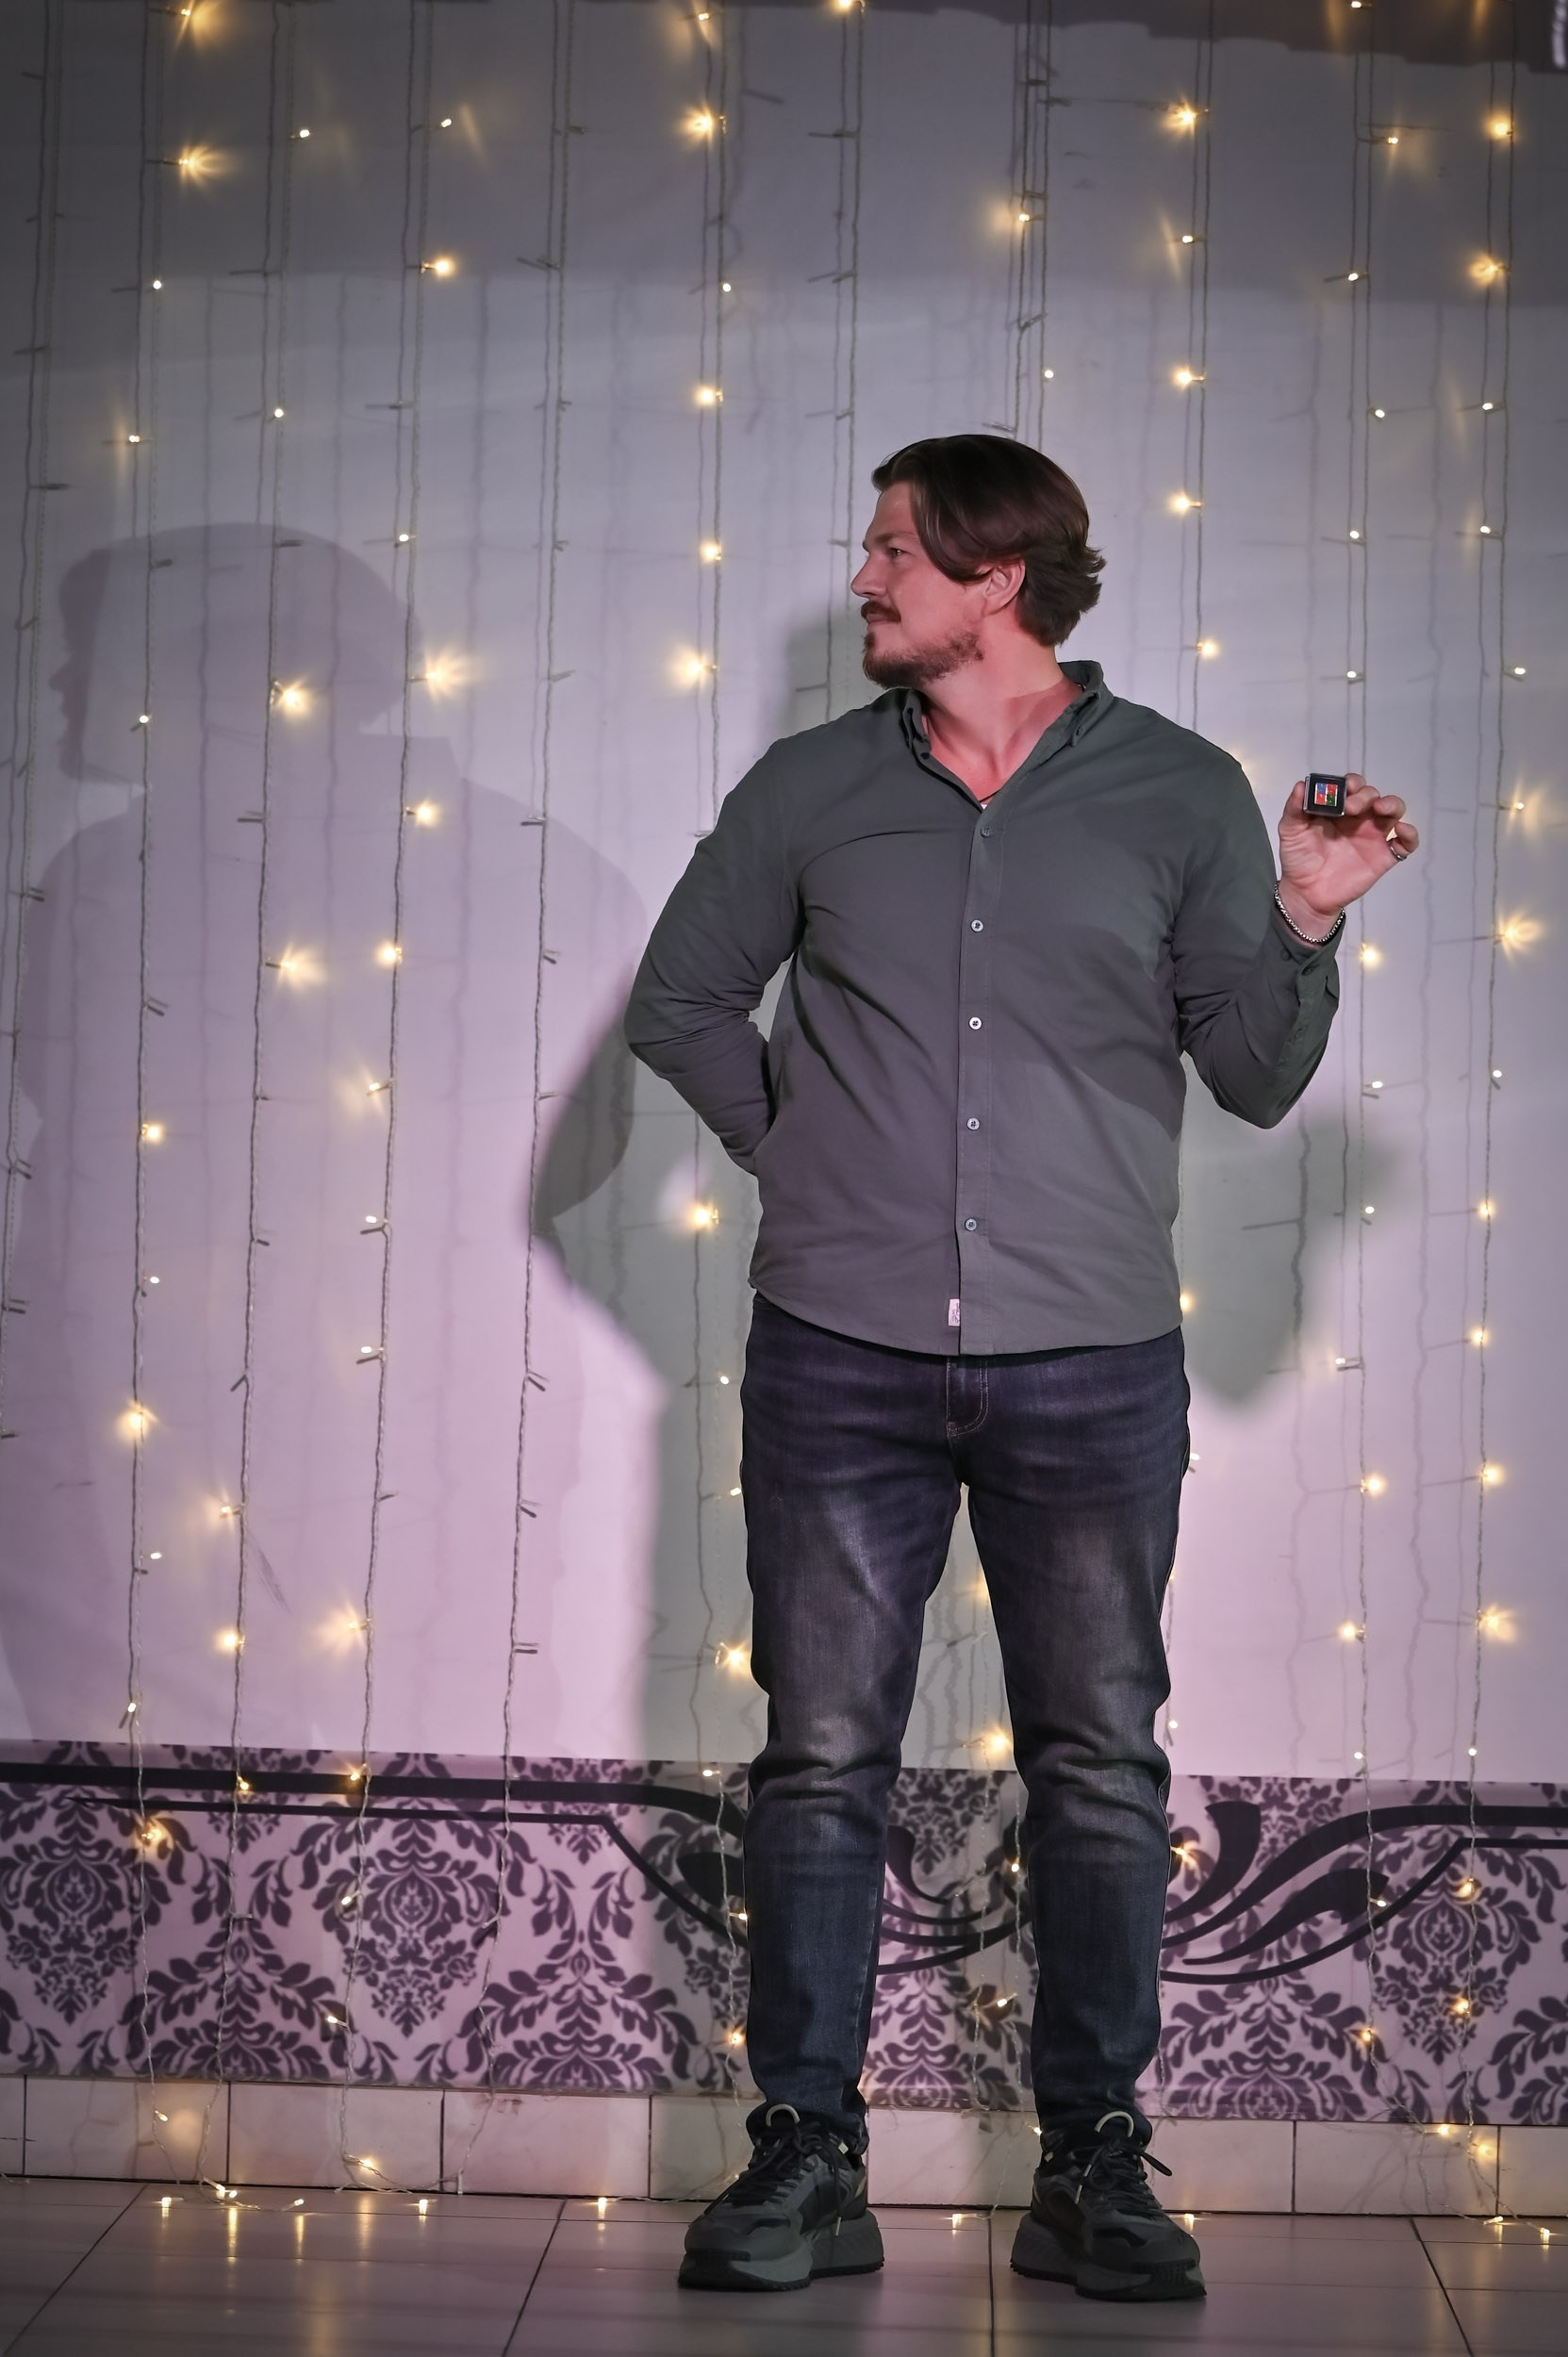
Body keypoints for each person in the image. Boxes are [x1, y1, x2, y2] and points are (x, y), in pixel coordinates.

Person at [623, 434, 1417, 2302]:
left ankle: (1094, 2166)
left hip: (1092, 1361)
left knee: (1098, 1762)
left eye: (895, 550)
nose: (866, 577)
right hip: (839, 1351)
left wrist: (1305, 912)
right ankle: (805, 2154)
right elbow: (681, 999)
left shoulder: (1178, 790)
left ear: (996, 579)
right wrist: (805, 1152)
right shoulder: (813, 788)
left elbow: (1252, 1070)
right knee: (821, 1755)